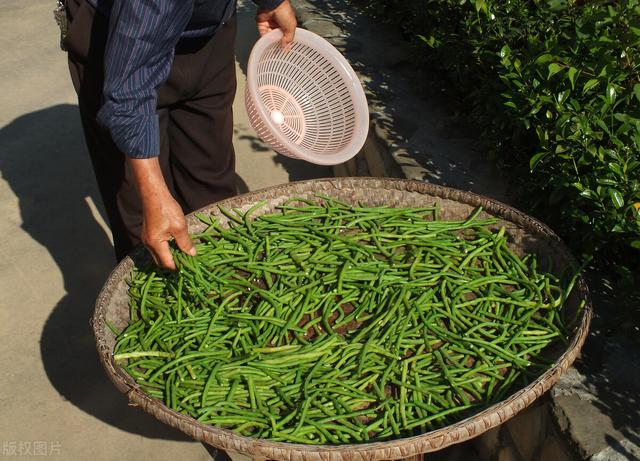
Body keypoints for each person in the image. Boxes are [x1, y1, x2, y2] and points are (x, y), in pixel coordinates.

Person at [63, 0, 297, 269]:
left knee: (213, 195)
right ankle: (162, 301)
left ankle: (221, 288)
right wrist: (153, 191)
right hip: (118, 40)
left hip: (204, 30)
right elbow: (127, 91)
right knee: (147, 220)